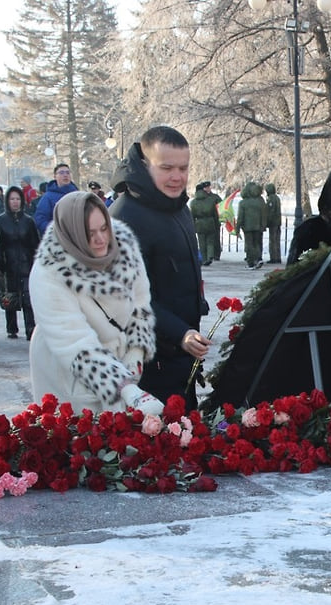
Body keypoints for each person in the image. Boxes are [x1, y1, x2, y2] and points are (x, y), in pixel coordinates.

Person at [29, 191, 161, 416]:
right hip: (69, 365)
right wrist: (126, 388)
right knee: (78, 439)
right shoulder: (48, 273)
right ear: (73, 234)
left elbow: (140, 302)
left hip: (117, 362)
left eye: (103, 229)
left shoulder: (124, 247)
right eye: (89, 233)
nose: (100, 239)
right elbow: (74, 341)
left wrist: (135, 353)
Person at [109, 125, 210, 410]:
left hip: (181, 357)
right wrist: (180, 332)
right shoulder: (124, 217)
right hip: (145, 363)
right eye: (166, 168)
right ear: (145, 164)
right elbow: (127, 297)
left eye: (183, 168)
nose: (177, 177)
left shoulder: (179, 206)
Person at [0, 186, 41, 340]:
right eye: (12, 199)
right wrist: (1, 262)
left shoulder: (28, 221)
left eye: (18, 199)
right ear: (7, 201)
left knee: (28, 299)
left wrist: (36, 262)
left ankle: (30, 329)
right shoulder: (0, 221)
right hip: (9, 264)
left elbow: (36, 244)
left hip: (27, 264)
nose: (15, 202)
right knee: (10, 298)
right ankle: (11, 328)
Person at [34, 163, 78, 235]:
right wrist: (56, 231)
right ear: (55, 176)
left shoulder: (78, 195)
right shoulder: (48, 197)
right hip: (57, 238)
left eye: (68, 172)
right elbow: (40, 220)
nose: (65, 175)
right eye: (61, 173)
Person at [235, 181, 267, 269]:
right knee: (257, 243)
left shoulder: (243, 203)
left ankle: (251, 262)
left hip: (247, 227)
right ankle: (258, 258)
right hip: (258, 226)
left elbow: (240, 217)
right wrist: (263, 225)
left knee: (249, 244)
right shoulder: (260, 201)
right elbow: (264, 214)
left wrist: (237, 228)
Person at [190, 180, 222, 265]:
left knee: (202, 242)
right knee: (210, 241)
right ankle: (210, 255)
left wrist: (193, 226)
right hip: (210, 222)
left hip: (199, 223)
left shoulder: (193, 202)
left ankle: (204, 259)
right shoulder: (210, 200)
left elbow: (192, 216)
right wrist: (216, 223)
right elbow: (215, 213)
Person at [265, 182, 283, 263]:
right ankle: (278, 257)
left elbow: (270, 212)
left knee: (273, 241)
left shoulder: (271, 199)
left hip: (273, 223)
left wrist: (267, 222)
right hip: (278, 222)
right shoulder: (277, 198)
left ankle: (273, 258)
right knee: (277, 240)